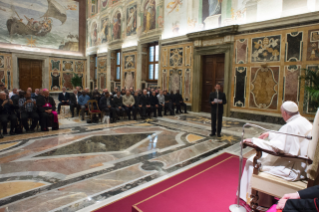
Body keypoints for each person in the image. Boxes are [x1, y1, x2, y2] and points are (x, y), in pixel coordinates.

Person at [239, 101, 313, 206]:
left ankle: (258, 201)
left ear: (285, 113)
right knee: (259, 159)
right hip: (301, 165)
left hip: (291, 168)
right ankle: (262, 199)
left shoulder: (291, 125)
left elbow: (278, 148)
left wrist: (254, 141)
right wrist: (270, 134)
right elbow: (286, 137)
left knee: (252, 161)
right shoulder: (303, 120)